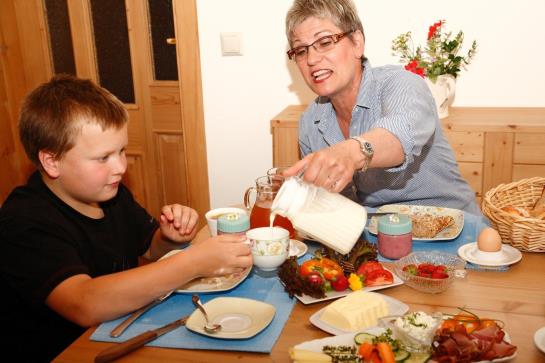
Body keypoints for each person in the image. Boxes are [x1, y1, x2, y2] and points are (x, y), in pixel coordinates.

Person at [0, 75, 252, 362]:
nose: (120, 166)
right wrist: (191, 263)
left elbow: (147, 249)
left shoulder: (109, 194)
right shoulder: (23, 222)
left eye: (121, 151)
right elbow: (84, 303)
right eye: (103, 157)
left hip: (119, 334)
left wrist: (168, 238)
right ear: (52, 161)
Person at [282, 0, 481, 215]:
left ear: (357, 42)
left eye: (325, 42)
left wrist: (349, 153)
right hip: (375, 234)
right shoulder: (310, 122)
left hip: (453, 229)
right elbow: (332, 206)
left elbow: (397, 137)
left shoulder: (402, 84)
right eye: (301, 50)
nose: (311, 59)